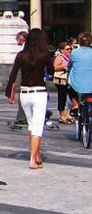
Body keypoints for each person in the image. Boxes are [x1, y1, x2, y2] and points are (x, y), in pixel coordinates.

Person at [5, 28, 54, 170]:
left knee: (31, 124)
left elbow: (13, 75)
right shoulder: (44, 54)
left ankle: (37, 155)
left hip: (25, 93)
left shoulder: (21, 55)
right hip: (39, 92)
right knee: (38, 126)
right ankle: (33, 159)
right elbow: (51, 71)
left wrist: (9, 92)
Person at [53, 42, 77, 124]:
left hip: (70, 79)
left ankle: (69, 114)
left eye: (70, 49)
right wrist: (64, 66)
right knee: (62, 97)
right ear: (62, 50)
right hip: (62, 80)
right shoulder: (60, 57)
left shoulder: (72, 57)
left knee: (73, 96)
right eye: (67, 49)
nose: (69, 51)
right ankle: (62, 115)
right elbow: (55, 67)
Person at [13, 30, 29, 125]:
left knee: (23, 95)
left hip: (26, 75)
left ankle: (22, 117)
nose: (16, 41)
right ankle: (23, 117)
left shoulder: (25, 49)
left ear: (21, 39)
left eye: (17, 39)